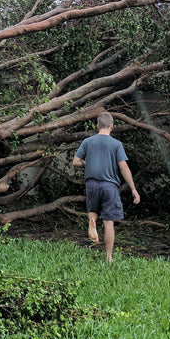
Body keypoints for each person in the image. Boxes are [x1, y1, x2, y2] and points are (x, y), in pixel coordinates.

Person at [72, 112, 140, 263]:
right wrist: (133, 189)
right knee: (109, 222)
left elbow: (76, 162)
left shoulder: (88, 142)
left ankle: (92, 221)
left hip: (91, 184)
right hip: (109, 186)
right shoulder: (116, 144)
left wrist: (87, 164)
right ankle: (108, 257)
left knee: (93, 211)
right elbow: (123, 167)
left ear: (97, 126)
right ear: (112, 126)